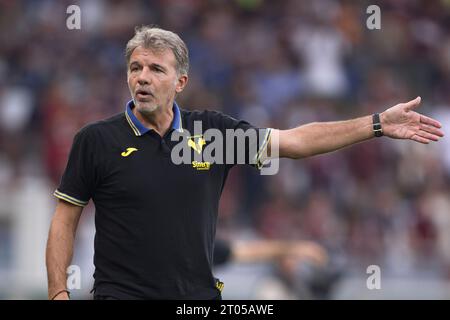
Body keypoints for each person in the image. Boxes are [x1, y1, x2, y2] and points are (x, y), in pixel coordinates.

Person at [45, 26, 444, 300]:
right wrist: (58, 292)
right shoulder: (96, 140)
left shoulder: (214, 134)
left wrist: (375, 124)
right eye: (135, 68)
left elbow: (296, 141)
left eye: (155, 69)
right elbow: (65, 219)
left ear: (180, 82)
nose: (142, 78)